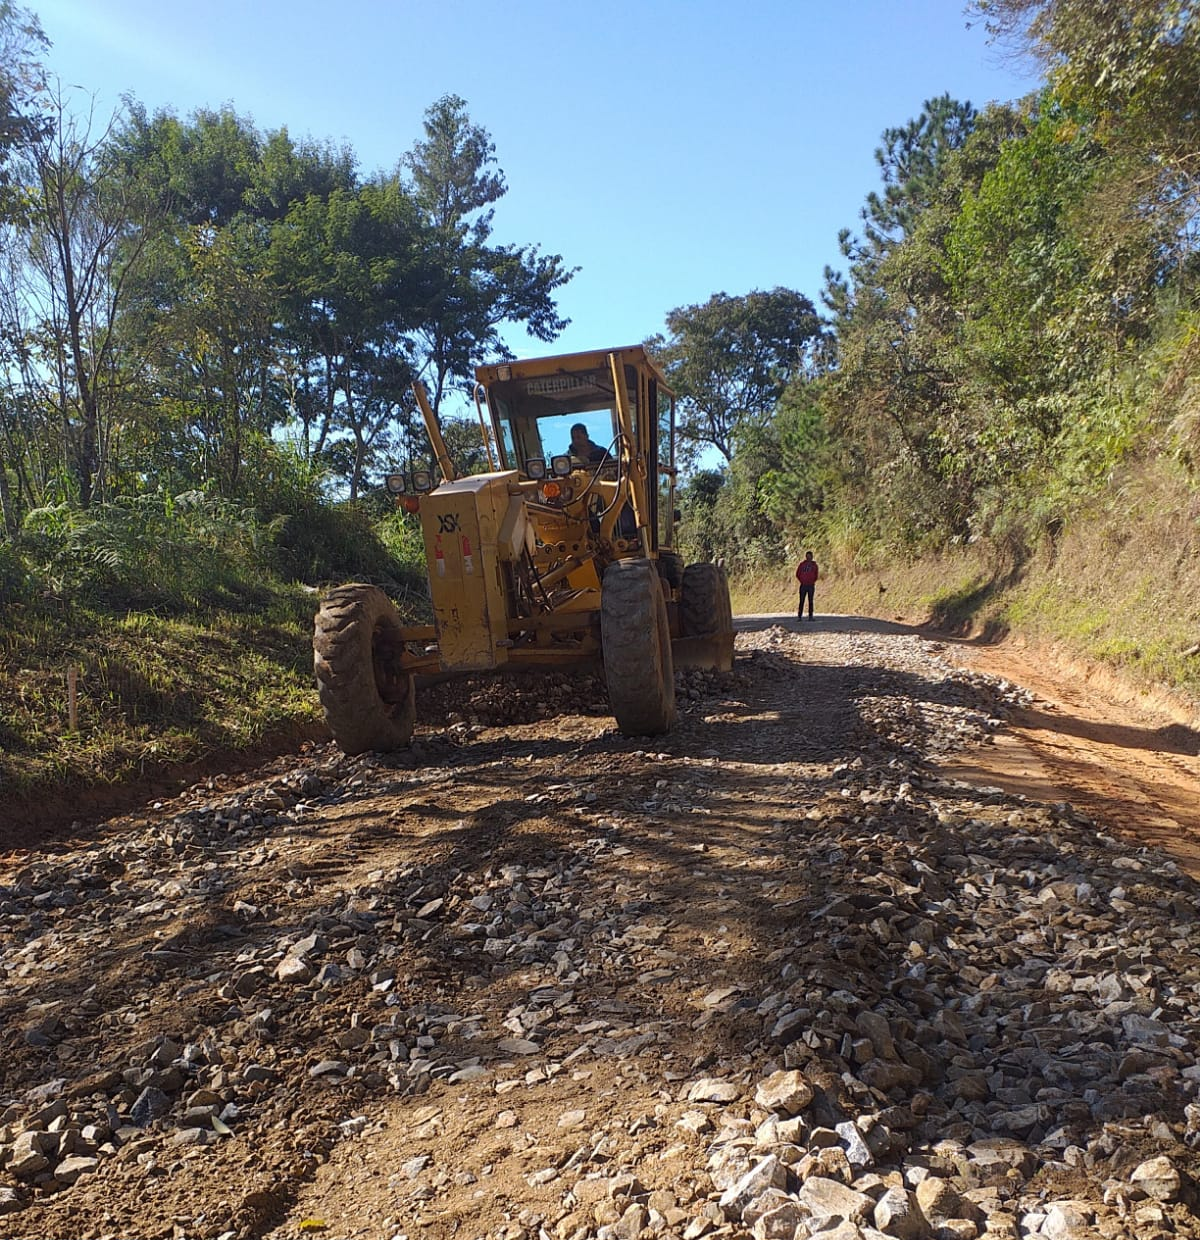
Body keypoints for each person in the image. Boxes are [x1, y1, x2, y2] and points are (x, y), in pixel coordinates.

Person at [795, 550, 819, 620]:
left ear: (812, 557)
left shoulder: (814, 565)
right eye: (807, 556)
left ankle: (810, 616)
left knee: (810, 601)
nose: (809, 558)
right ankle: (799, 616)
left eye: (810, 556)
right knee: (801, 601)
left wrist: (812, 581)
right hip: (803, 585)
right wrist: (802, 580)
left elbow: (816, 575)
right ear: (806, 556)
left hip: (811, 585)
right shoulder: (802, 565)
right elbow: (797, 574)